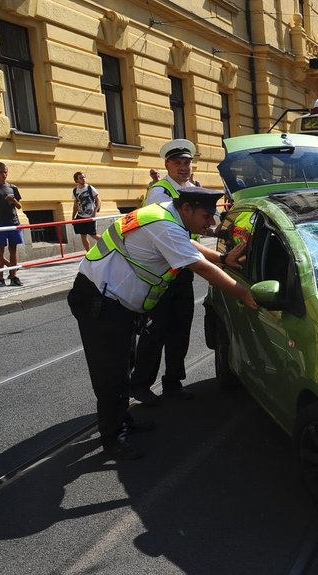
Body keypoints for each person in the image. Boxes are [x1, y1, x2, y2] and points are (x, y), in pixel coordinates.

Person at [68, 187, 257, 460]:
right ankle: (113, 439)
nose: (211, 223)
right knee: (112, 374)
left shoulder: (166, 217)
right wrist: (245, 293)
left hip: (112, 302)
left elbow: (188, 245)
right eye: (206, 215)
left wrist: (222, 258)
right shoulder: (164, 225)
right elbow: (200, 267)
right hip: (100, 302)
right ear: (187, 209)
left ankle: (122, 421)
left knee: (124, 364)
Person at [129, 139, 201, 405]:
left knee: (180, 329)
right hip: (162, 270)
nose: (183, 167)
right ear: (167, 165)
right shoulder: (160, 192)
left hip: (181, 267)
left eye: (187, 162)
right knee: (155, 330)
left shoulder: (193, 189)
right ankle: (140, 383)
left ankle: (173, 382)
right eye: (178, 163)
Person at [0, 162, 24, 288]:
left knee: (13, 251)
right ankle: (0, 278)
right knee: (0, 252)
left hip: (13, 222)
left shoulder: (13, 187)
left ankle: (13, 276)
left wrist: (13, 200)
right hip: (0, 224)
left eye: (6, 171)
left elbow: (19, 206)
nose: (4, 174)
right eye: (1, 172)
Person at [72, 171, 102, 251]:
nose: (83, 179)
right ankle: (88, 254)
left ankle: (109, 243)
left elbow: (98, 200)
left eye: (84, 177)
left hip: (90, 216)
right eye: (81, 178)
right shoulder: (75, 190)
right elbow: (75, 205)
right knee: (83, 235)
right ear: (76, 180)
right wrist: (73, 216)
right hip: (81, 216)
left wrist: (95, 212)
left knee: (93, 235)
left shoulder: (90, 188)